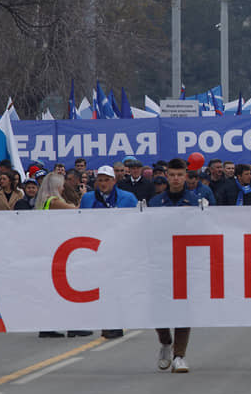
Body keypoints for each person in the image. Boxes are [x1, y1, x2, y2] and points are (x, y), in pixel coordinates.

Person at [148, 158, 199, 373]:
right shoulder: (155, 203)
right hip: (161, 263)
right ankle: (166, 343)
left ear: (186, 176)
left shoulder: (195, 202)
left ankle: (180, 356)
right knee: (159, 310)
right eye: (172, 175)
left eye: (180, 174)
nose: (176, 178)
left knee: (183, 310)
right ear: (167, 176)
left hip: (185, 264)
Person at [79, 165, 139, 339]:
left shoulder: (128, 198)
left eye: (107, 180)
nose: (103, 183)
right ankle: (106, 322)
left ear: (114, 181)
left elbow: (135, 221)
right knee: (101, 288)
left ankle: (116, 323)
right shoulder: (88, 198)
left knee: (116, 288)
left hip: (120, 249)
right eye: (100, 180)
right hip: (96, 249)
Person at [35, 172, 90, 338]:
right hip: (57, 248)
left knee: (51, 290)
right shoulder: (54, 201)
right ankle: (72, 325)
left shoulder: (44, 201)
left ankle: (48, 326)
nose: (63, 187)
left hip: (49, 247)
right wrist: (84, 196)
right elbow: (77, 211)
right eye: (61, 184)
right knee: (68, 288)